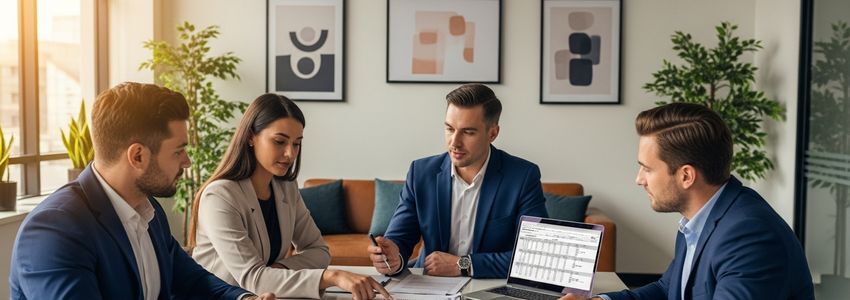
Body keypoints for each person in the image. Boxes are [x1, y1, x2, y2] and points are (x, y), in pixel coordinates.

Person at [9, 82, 274, 299]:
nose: (187, 162)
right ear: (137, 156)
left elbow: (189, 279)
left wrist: (244, 299)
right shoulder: (54, 229)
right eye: (179, 151)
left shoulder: (148, 209)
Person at [561, 103, 814, 300]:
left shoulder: (749, 236)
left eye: (647, 169)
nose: (639, 180)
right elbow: (667, 289)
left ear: (686, 176)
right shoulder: (699, 220)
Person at [188, 93, 391, 300]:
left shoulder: (285, 188)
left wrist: (277, 270)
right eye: (279, 141)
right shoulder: (220, 196)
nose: (290, 154)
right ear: (250, 137)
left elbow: (319, 251)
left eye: (296, 144)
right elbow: (252, 278)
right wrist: (332, 276)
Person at [367, 83, 548, 279]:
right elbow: (400, 238)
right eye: (449, 129)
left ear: (492, 133)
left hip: (487, 288)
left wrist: (463, 264)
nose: (455, 142)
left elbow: (533, 257)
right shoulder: (421, 173)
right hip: (429, 285)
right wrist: (393, 257)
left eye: (468, 132)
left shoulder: (522, 176)